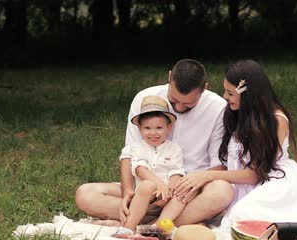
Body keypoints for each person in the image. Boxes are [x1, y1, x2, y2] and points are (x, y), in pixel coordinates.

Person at [75, 59, 234, 227]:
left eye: (187, 104)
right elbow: (129, 154)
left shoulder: (218, 108)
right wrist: (129, 192)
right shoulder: (144, 99)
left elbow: (218, 166)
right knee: (85, 194)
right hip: (144, 189)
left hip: (188, 195)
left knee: (222, 191)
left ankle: (145, 224)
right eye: (173, 101)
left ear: (204, 88)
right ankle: (164, 223)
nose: (178, 108)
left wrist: (187, 188)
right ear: (170, 77)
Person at [171, 60, 297, 240]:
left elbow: (256, 174)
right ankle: (163, 224)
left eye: (230, 93)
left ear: (249, 95)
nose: (224, 96)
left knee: (241, 214)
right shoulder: (239, 113)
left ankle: (164, 226)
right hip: (240, 185)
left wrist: (208, 176)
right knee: (212, 203)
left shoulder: (276, 121)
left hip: (272, 181)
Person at [116, 95, 186, 233]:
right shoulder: (137, 147)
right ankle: (128, 228)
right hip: (144, 196)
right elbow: (140, 169)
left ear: (169, 128)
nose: (153, 133)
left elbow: (175, 172)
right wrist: (160, 185)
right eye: (147, 128)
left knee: (182, 193)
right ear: (140, 129)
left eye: (159, 128)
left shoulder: (174, 148)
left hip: (166, 196)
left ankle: (158, 227)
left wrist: (169, 191)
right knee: (148, 185)